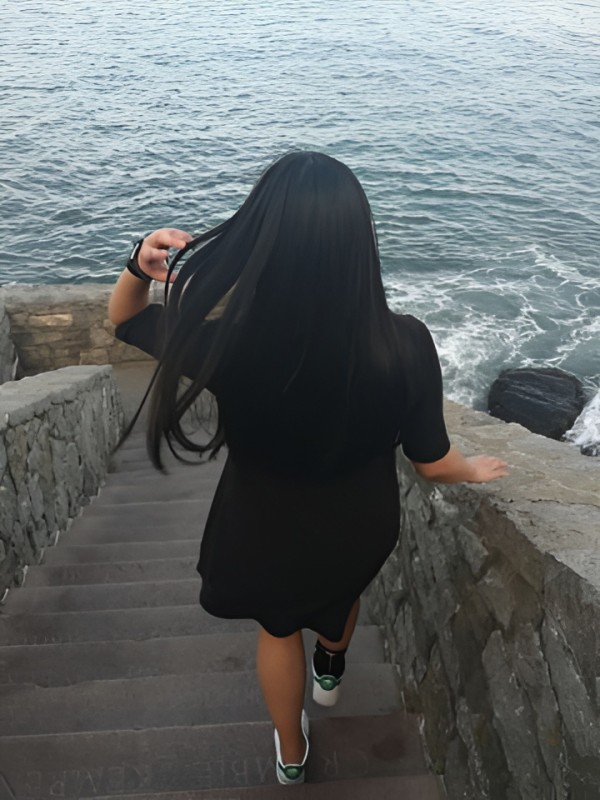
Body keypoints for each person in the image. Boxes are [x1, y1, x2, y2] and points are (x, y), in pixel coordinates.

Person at [108, 151, 508, 785]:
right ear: (358, 245)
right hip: (360, 524)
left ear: (262, 239)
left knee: (277, 628)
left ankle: (291, 757)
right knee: (339, 593)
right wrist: (474, 470)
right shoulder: (406, 343)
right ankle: (331, 665)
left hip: (260, 526)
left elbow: (125, 320)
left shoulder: (230, 343)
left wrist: (138, 262)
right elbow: (432, 463)